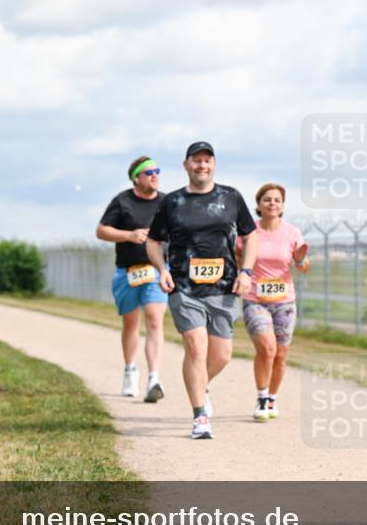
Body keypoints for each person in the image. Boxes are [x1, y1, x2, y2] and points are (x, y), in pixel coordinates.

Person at [146, 141, 257, 440]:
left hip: (224, 287)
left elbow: (250, 236)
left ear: (214, 165)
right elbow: (153, 241)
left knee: (221, 355)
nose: (202, 166)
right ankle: (200, 417)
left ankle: (201, 384)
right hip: (184, 286)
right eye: (196, 161)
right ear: (186, 165)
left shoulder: (231, 197)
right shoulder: (172, 202)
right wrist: (162, 270)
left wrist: (246, 272)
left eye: (207, 160)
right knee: (196, 347)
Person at [96, 156, 169, 403]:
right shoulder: (122, 201)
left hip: (157, 270)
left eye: (157, 171)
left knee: (155, 320)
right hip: (127, 271)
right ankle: (130, 369)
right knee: (131, 323)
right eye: (149, 172)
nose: (154, 175)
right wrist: (130, 234)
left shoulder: (166, 202)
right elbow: (101, 230)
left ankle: (154, 378)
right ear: (136, 177)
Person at [235, 183, 309, 421]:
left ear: (283, 205)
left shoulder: (293, 233)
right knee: (267, 348)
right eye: (267, 199)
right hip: (255, 298)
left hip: (284, 301)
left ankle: (272, 398)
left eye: (277, 200)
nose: (272, 203)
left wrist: (300, 260)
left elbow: (303, 267)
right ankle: (261, 396)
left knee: (281, 354)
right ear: (258, 205)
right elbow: (238, 259)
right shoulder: (249, 233)